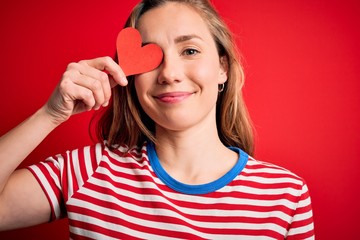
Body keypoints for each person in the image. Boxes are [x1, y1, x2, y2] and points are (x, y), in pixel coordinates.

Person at [0, 0, 314, 239]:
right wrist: (50, 115)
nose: (169, 74)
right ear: (130, 76)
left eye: (189, 51)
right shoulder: (89, 172)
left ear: (223, 68)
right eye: (151, 57)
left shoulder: (285, 194)